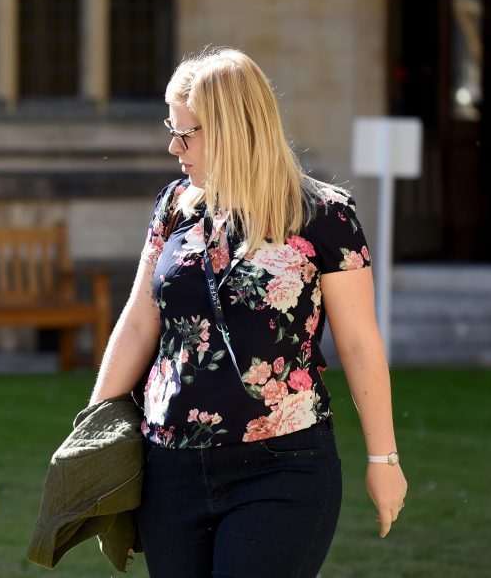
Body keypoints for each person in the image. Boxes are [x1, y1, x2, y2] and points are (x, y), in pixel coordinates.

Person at [88, 48, 408, 577]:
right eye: (172, 129)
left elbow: (358, 342)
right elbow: (140, 321)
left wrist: (384, 460)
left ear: (232, 130)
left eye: (186, 134)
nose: (174, 147)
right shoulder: (174, 207)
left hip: (282, 468)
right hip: (168, 469)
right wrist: (91, 432)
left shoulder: (324, 214)